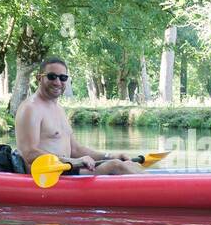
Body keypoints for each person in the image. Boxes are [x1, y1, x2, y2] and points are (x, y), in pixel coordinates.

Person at [15, 57, 145, 175]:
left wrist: (110, 156)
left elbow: (76, 149)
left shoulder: (58, 108)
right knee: (115, 166)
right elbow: (29, 153)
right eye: (52, 76)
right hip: (48, 174)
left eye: (63, 78)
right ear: (39, 78)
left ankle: (156, 189)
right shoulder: (30, 108)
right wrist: (74, 162)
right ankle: (159, 194)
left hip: (67, 167)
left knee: (127, 163)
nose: (57, 82)